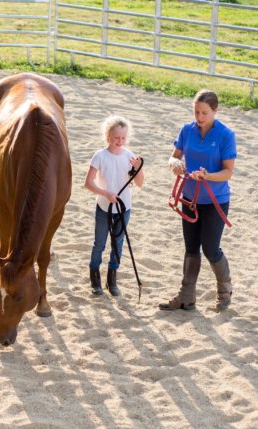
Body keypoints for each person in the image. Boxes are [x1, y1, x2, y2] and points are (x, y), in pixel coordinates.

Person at [160, 89, 236, 311]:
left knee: (211, 248)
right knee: (191, 247)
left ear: (215, 111)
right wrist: (174, 164)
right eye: (196, 112)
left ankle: (224, 289)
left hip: (215, 200)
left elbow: (228, 172)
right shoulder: (187, 130)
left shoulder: (226, 135)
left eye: (204, 113)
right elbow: (175, 155)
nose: (200, 117)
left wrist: (208, 176)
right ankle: (186, 296)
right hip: (189, 197)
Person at [85, 115, 144, 296]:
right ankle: (95, 277)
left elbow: (140, 183)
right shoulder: (100, 156)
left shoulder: (130, 157)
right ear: (108, 136)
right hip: (104, 207)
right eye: (116, 138)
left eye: (123, 138)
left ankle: (112, 278)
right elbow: (88, 183)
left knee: (117, 243)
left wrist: (139, 168)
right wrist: (105, 193)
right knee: (99, 243)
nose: (120, 141)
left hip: (124, 208)